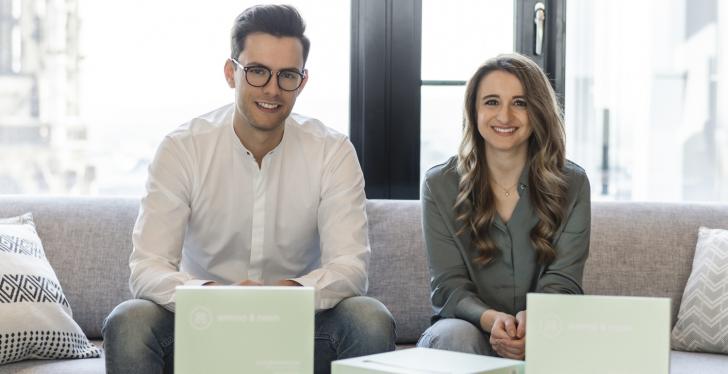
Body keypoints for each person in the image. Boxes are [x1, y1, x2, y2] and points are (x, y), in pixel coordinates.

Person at [101, 4, 395, 374]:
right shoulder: (183, 147)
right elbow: (147, 268)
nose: (272, 89)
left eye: (287, 75)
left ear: (302, 82)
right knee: (130, 321)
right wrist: (219, 298)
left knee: (369, 316)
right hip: (201, 323)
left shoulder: (332, 152)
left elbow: (350, 267)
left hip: (299, 326)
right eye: (257, 72)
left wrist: (285, 294)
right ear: (231, 73)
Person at [416, 53, 590, 360]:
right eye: (492, 102)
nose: (505, 116)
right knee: (455, 336)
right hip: (469, 330)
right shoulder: (439, 185)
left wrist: (532, 323)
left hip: (545, 328)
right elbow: (448, 287)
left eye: (520, 103)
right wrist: (492, 320)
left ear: (538, 111)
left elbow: (563, 280)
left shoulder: (572, 183)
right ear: (474, 111)